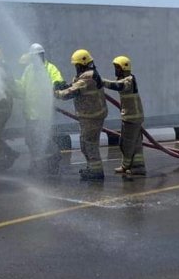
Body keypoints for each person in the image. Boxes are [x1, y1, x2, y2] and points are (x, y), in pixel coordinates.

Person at [54, 49, 108, 181]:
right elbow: (73, 86)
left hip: (92, 117)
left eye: (77, 65)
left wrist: (56, 93)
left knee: (89, 144)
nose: (76, 67)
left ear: (82, 64)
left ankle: (96, 171)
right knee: (85, 143)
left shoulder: (87, 77)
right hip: (89, 116)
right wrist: (64, 86)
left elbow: (71, 93)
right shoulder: (86, 76)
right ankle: (92, 168)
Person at [16, 43, 66, 174]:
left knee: (44, 139)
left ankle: (53, 158)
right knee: (31, 140)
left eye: (38, 55)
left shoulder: (50, 68)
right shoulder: (29, 70)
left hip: (44, 114)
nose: (36, 58)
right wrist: (11, 84)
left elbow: (57, 79)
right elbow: (22, 87)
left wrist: (58, 83)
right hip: (31, 113)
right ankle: (38, 163)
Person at [102, 55, 146, 176]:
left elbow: (118, 85)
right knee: (136, 144)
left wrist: (101, 82)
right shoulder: (129, 79)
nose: (115, 70)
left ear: (124, 68)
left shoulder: (128, 80)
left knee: (126, 143)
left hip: (131, 118)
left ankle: (125, 165)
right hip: (135, 116)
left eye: (117, 68)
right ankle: (139, 167)